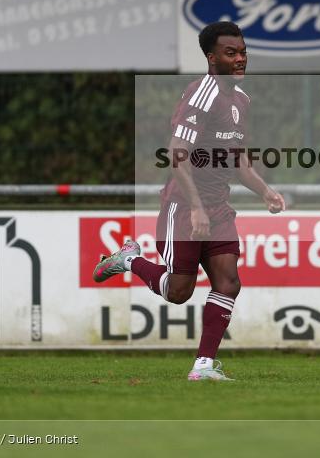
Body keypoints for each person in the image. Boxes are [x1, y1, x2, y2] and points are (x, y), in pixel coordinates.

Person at [93, 21, 285, 381]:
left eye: (243, 51)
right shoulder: (202, 94)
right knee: (178, 291)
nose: (240, 58)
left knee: (228, 282)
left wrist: (265, 191)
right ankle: (129, 260)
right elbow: (177, 153)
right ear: (212, 58)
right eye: (231, 53)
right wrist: (195, 206)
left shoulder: (241, 101)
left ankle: (203, 366)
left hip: (219, 208)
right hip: (183, 207)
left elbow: (239, 159)